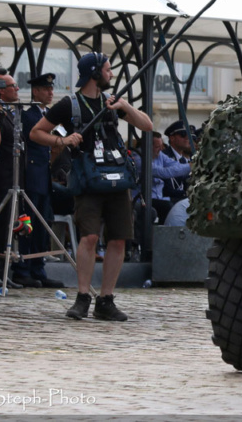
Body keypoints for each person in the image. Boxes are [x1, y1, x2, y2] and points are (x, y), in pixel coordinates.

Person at [29, 52, 153, 321]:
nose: (111, 75)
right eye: (108, 70)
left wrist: (125, 107)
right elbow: (36, 132)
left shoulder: (112, 102)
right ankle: (83, 296)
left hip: (117, 177)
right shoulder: (68, 105)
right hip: (88, 179)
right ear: (95, 73)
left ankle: (106, 299)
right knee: (89, 237)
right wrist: (61, 142)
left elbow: (147, 125)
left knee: (119, 238)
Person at [19, 73, 65, 288]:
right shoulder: (29, 116)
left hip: (44, 176)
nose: (50, 93)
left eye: (51, 89)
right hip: (32, 176)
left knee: (42, 225)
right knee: (28, 223)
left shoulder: (49, 116)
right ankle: (23, 268)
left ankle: (38, 268)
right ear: (36, 91)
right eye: (46, 89)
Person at [0, 72, 28, 289]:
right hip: (1, 179)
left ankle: (5, 272)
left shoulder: (10, 113)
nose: (17, 90)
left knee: (9, 228)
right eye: (13, 86)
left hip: (14, 179)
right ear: (1, 89)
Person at [148, 131, 191, 224]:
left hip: (159, 197)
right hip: (146, 198)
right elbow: (163, 173)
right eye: (157, 147)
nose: (160, 149)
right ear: (148, 146)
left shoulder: (159, 155)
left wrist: (189, 166)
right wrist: (190, 166)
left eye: (161, 146)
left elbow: (175, 164)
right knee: (167, 206)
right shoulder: (140, 158)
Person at [161, 121, 193, 204]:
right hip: (169, 201)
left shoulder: (183, 160)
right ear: (172, 138)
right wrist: (188, 194)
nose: (187, 137)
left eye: (187, 134)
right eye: (183, 134)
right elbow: (167, 190)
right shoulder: (164, 157)